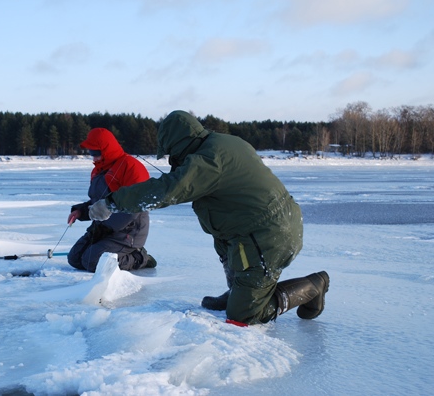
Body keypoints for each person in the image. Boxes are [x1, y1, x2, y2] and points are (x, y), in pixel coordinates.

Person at [89, 110, 329, 326]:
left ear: (180, 142)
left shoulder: (208, 160)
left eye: (172, 152)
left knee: (244, 316)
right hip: (256, 229)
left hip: (268, 236)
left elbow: (168, 189)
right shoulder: (222, 143)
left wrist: (112, 202)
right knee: (227, 247)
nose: (172, 159)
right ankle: (240, 291)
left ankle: (313, 286)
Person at [67, 128, 157, 273]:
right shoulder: (98, 171)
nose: (93, 157)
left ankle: (139, 257)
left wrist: (106, 228)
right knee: (75, 258)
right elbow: (97, 202)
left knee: (92, 261)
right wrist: (80, 212)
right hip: (102, 229)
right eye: (90, 153)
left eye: (96, 153)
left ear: (106, 150)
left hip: (129, 230)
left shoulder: (130, 166)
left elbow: (134, 206)